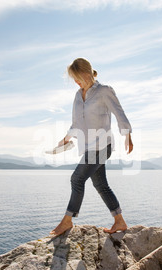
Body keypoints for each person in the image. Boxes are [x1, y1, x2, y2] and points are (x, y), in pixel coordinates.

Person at [50, 58, 133, 236]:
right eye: (73, 78)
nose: (75, 81)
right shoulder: (77, 96)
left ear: (86, 73)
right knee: (100, 184)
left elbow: (119, 113)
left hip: (103, 145)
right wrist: (65, 139)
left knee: (77, 179)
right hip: (89, 147)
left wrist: (128, 135)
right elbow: (76, 123)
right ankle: (119, 221)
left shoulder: (104, 91)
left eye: (77, 77)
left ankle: (67, 221)